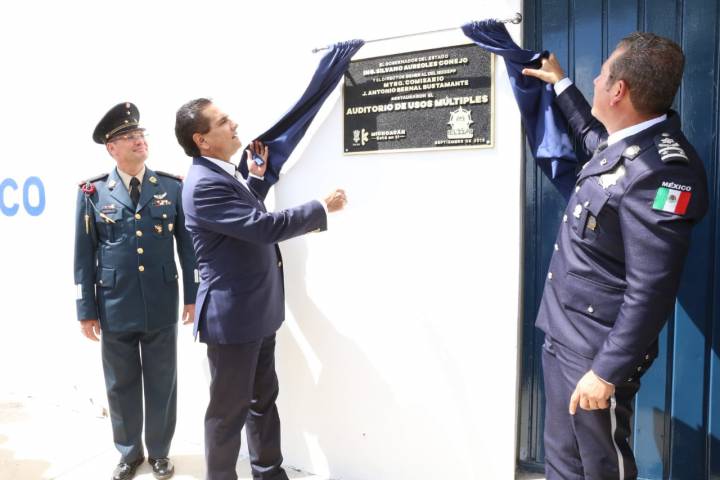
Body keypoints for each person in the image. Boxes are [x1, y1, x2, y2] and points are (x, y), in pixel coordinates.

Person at [521, 32, 709, 479]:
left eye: (602, 73)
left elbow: (652, 288)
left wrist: (605, 372)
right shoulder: (626, 141)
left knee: (601, 464)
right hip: (566, 333)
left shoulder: (661, 172)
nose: (596, 79)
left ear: (618, 90)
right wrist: (561, 84)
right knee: (565, 461)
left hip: (595, 350)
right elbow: (591, 137)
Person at [174, 98, 347, 480]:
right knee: (227, 414)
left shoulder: (223, 173)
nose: (233, 123)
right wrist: (320, 207)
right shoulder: (203, 185)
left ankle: (269, 473)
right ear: (202, 139)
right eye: (223, 121)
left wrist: (255, 180)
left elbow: (243, 216)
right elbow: (262, 227)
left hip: (255, 311)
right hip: (232, 319)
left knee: (262, 402)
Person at [74, 102, 199, 480]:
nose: (138, 140)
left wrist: (193, 295)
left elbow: (188, 248)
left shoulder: (171, 187)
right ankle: (129, 453)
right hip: (114, 304)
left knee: (163, 380)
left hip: (161, 300)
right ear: (111, 148)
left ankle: (159, 452)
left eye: (140, 134)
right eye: (129, 137)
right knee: (120, 383)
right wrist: (85, 309)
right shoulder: (93, 192)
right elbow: (83, 256)